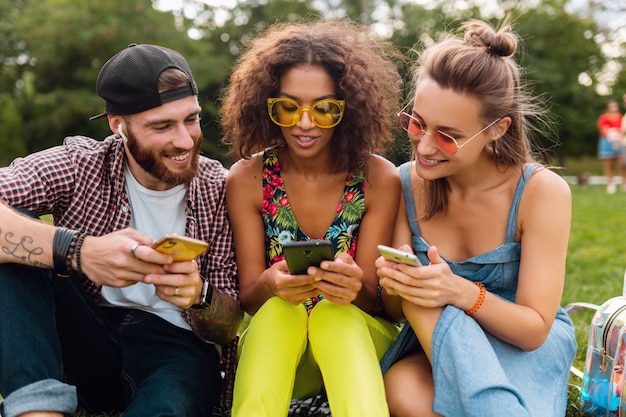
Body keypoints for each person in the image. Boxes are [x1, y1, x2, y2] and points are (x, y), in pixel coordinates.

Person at [0, 44, 243, 417]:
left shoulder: (220, 188)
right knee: (14, 239)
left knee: (169, 399)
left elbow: (228, 327)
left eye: (190, 119)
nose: (184, 140)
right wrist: (78, 251)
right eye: (162, 126)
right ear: (119, 126)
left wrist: (198, 294)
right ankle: (38, 411)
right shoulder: (82, 164)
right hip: (83, 333)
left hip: (174, 349)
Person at [376, 20, 577, 417]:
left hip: (519, 347)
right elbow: (398, 311)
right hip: (436, 346)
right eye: (416, 123)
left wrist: (461, 292)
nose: (425, 145)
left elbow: (534, 329)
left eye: (448, 135)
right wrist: (397, 283)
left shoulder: (541, 192)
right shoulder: (403, 182)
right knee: (402, 392)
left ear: (497, 130)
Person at [220, 20, 403, 417]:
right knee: (277, 313)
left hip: (358, 347)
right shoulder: (248, 179)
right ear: (267, 106)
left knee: (333, 316)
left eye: (324, 109)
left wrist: (353, 288)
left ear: (348, 109)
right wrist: (269, 284)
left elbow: (380, 305)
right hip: (286, 353)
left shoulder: (379, 179)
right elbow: (250, 297)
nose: (304, 123)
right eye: (288, 106)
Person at [597, 100, 624, 193]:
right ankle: (610, 184)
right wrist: (612, 135)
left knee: (622, 164)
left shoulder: (621, 117)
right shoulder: (603, 118)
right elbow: (604, 130)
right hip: (607, 142)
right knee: (609, 164)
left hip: (620, 141)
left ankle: (624, 184)